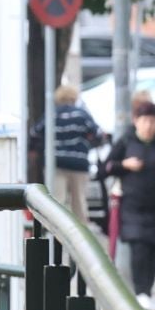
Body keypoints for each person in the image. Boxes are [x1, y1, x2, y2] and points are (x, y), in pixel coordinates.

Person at [98, 101, 155, 310]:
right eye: (145, 121)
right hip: (133, 206)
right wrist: (125, 165)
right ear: (136, 121)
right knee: (138, 247)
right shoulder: (126, 141)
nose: (149, 126)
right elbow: (105, 168)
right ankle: (140, 293)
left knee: (153, 249)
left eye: (153, 121)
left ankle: (147, 292)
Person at [33, 83, 105, 225]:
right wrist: (88, 144)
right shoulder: (81, 114)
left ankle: (56, 236)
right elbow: (98, 134)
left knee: (57, 202)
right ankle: (80, 239)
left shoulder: (51, 114)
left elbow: (35, 133)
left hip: (56, 163)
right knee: (79, 202)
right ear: (74, 97)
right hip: (78, 164)